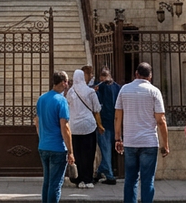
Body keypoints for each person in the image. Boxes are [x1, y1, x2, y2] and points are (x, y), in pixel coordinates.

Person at [114, 62, 169, 203]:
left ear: (136, 74)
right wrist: (165, 144)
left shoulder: (124, 90)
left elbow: (117, 116)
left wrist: (117, 138)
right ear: (150, 76)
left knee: (130, 179)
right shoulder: (154, 91)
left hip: (130, 141)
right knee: (147, 180)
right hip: (149, 142)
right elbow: (161, 120)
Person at [35, 71, 75, 203]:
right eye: (67, 81)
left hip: (44, 145)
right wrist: (70, 151)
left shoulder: (42, 99)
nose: (68, 84)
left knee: (47, 182)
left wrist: (42, 138)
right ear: (63, 83)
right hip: (57, 147)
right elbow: (65, 127)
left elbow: (37, 122)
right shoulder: (62, 101)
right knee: (55, 184)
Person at [66, 69, 102, 189]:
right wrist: (100, 125)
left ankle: (80, 179)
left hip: (74, 127)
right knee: (89, 153)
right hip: (88, 126)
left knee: (78, 153)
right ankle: (88, 179)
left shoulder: (70, 92)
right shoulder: (90, 91)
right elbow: (96, 109)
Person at [93, 67, 121, 185]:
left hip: (103, 124)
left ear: (101, 77)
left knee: (106, 150)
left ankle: (109, 176)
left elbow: (96, 105)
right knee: (107, 150)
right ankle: (99, 172)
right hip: (116, 123)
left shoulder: (101, 87)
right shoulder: (118, 87)